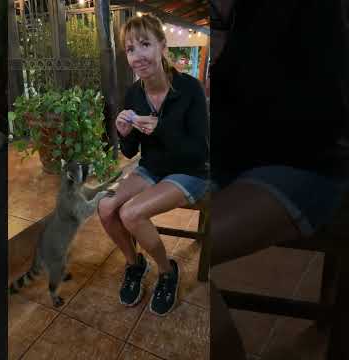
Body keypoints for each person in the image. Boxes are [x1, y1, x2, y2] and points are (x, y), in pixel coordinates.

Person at [209, 0, 349, 358]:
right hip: (234, 160)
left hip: (305, 163)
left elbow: (314, 107)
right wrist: (220, 20)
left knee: (186, 252)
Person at [97, 14, 209, 316]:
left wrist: (160, 128)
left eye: (145, 44)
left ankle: (166, 270)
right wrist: (124, 134)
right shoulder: (134, 93)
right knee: (106, 208)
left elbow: (200, 152)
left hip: (190, 172)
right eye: (131, 49)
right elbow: (132, 150)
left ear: (162, 45)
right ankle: (135, 264)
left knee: (131, 213)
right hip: (152, 168)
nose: (137, 56)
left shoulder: (190, 90)